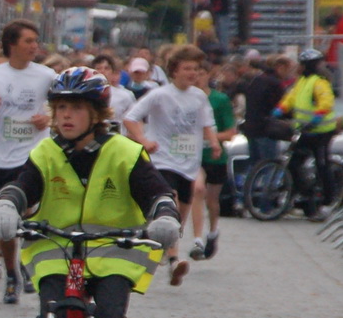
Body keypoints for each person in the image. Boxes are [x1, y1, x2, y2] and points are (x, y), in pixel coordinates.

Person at [0, 68, 181, 318]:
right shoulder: (46, 151)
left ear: (96, 114)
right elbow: (23, 185)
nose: (65, 116)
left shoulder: (125, 152)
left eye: (75, 108)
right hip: (57, 250)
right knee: (50, 313)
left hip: (114, 251)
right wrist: (7, 206)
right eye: (59, 107)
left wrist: (165, 215)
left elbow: (155, 192)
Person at [0, 20, 55, 303]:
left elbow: (66, 104)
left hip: (37, 155)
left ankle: (28, 263)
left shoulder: (46, 75)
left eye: (35, 40)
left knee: (31, 212)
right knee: (6, 220)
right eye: (28, 41)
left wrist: (49, 116)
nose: (34, 46)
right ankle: (11, 273)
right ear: (12, 44)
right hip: (3, 158)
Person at [122, 45, 219, 284]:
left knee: (181, 212)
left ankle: (166, 248)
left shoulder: (199, 96)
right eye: (187, 68)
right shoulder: (160, 94)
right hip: (163, 160)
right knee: (172, 200)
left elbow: (207, 123)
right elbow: (130, 118)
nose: (192, 73)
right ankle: (175, 258)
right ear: (174, 71)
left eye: (196, 69)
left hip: (188, 162)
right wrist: (143, 140)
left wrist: (215, 143)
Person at [277, 49, 337, 219]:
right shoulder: (302, 81)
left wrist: (317, 118)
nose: (299, 67)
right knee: (293, 163)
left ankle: (328, 201)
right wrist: (279, 110)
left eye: (302, 64)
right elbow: (290, 98)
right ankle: (304, 193)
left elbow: (326, 103)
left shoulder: (320, 82)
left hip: (322, 131)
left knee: (322, 164)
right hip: (306, 129)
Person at [190, 64, 238, 260]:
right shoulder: (187, 99)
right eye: (195, 74)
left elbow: (230, 133)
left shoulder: (219, 100)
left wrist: (211, 137)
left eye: (201, 73)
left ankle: (212, 232)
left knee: (212, 200)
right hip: (193, 156)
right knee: (197, 190)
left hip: (215, 156)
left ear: (208, 75)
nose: (197, 78)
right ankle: (197, 239)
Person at [240, 54, 289, 166]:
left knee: (255, 165)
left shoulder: (256, 80)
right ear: (281, 67)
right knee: (269, 165)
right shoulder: (275, 84)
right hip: (266, 130)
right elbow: (280, 107)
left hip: (251, 128)